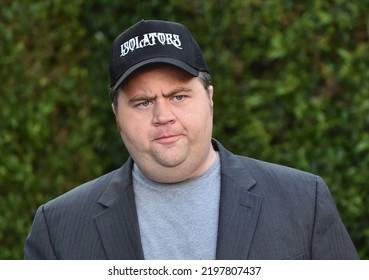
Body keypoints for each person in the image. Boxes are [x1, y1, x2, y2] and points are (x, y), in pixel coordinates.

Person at [24, 19, 359, 260]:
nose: (163, 116)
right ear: (117, 117)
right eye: (143, 102)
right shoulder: (58, 228)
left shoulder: (303, 201)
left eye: (179, 96)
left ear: (210, 99)